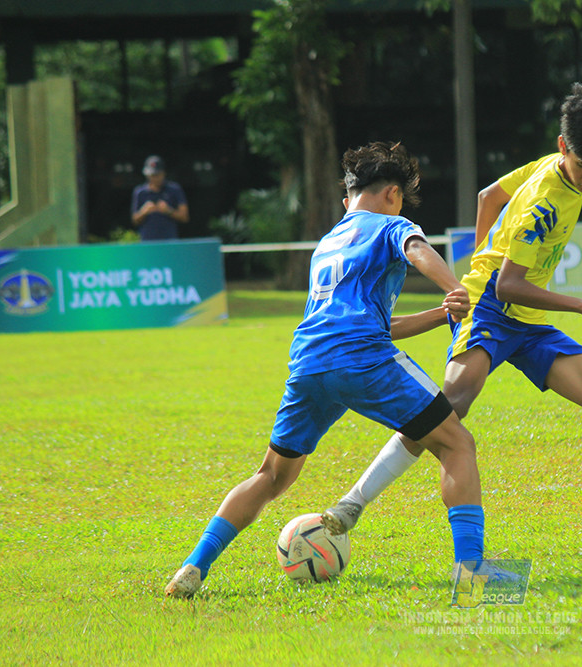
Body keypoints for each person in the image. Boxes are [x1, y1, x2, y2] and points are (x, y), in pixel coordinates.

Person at [322, 83, 582, 562]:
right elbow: (507, 287)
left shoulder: (551, 164)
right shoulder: (545, 201)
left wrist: (480, 255)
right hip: (492, 308)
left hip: (526, 318)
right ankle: (352, 505)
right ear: (565, 148)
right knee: (450, 407)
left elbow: (488, 196)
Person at [165, 142, 488, 598]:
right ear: (392, 194)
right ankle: (472, 574)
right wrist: (455, 288)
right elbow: (416, 248)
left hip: (309, 363)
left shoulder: (328, 242)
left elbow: (367, 321)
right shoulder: (394, 226)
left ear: (347, 200)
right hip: (362, 358)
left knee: (272, 476)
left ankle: (192, 567)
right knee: (457, 444)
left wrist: (440, 313)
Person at [131, 155, 189, 240]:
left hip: (169, 242)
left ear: (163, 173)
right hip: (147, 243)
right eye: (152, 175)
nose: (155, 178)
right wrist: (144, 211)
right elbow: (134, 220)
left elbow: (185, 217)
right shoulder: (140, 192)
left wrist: (168, 210)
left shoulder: (174, 189)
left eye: (157, 175)